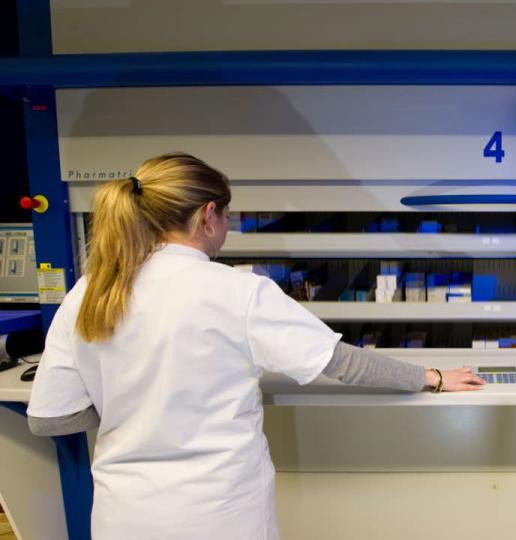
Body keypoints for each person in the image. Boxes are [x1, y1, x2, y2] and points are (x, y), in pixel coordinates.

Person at [26, 152, 485, 539]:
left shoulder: (89, 291)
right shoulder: (236, 290)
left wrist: (134, 406)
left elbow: (51, 418)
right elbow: (341, 363)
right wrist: (433, 377)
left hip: (124, 516)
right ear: (208, 215)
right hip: (219, 513)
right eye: (227, 216)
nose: (226, 228)